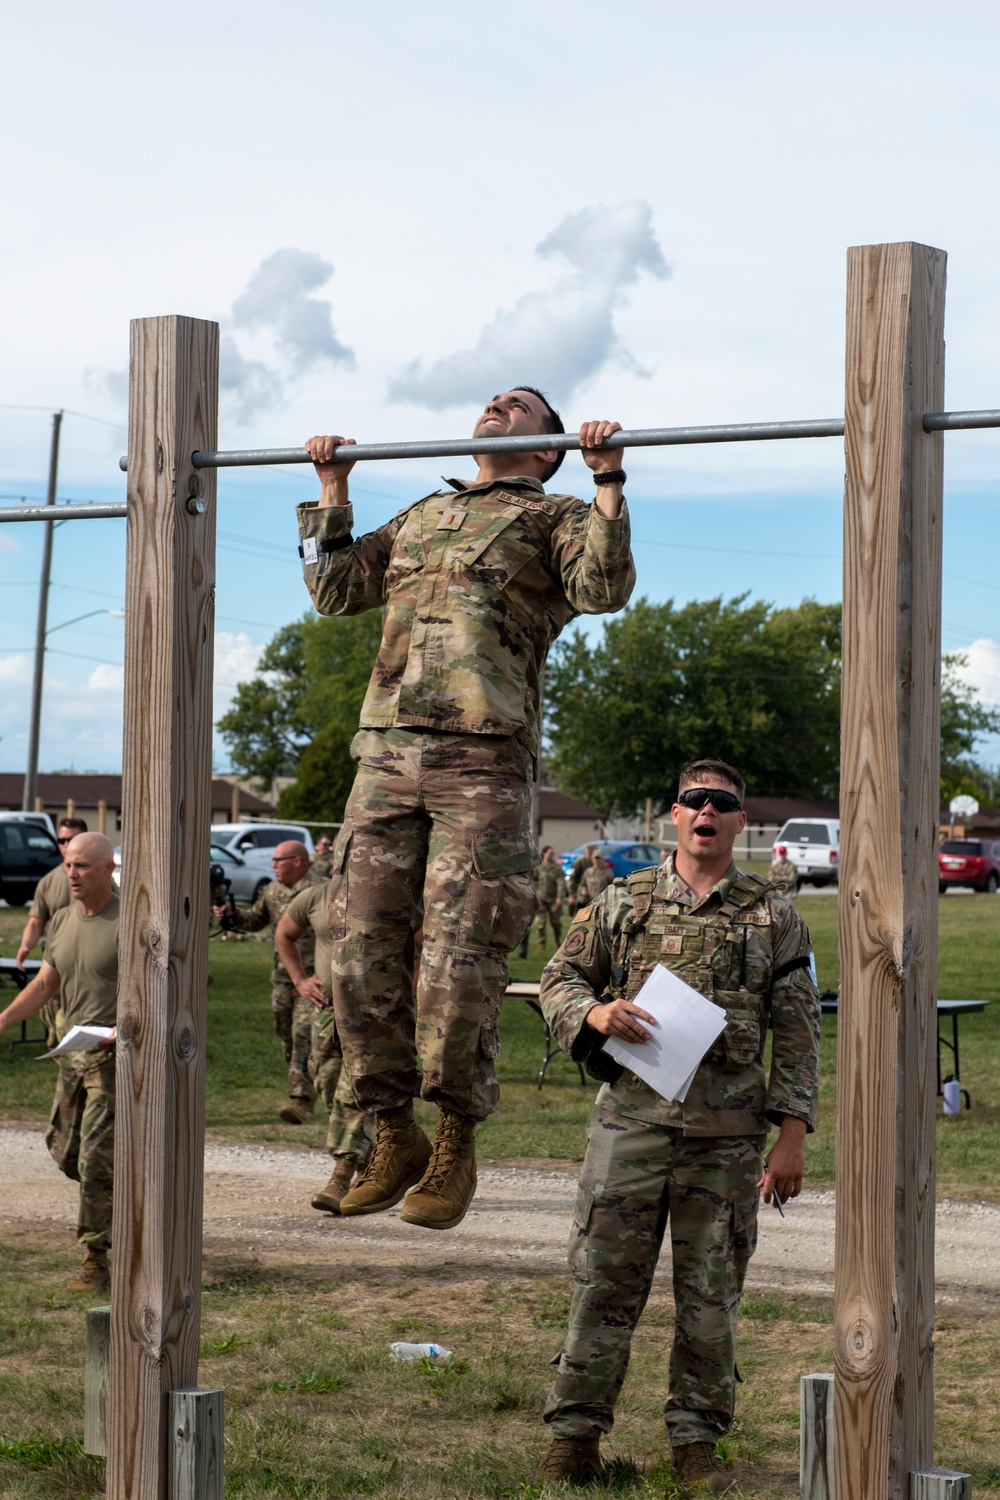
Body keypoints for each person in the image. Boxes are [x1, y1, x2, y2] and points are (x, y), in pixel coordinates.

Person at [298, 388, 635, 1231]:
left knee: (459, 958)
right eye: (493, 399)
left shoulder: (553, 514)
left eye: (518, 406)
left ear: (546, 445)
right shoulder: (423, 514)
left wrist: (607, 482)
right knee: (354, 948)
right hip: (385, 752)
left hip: (481, 757)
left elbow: (602, 587)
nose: (495, 406)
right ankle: (389, 1130)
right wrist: (333, 491)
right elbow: (334, 590)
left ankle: (453, 1137)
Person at [534, 759, 821, 1487]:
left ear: (738, 822)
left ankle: (695, 1446)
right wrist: (595, 1012)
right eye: (695, 800)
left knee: (710, 1298)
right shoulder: (623, 901)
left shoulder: (774, 916)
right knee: (603, 1286)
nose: (707, 812)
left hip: (726, 1144)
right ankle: (573, 1440)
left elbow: (797, 1035)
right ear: (674, 814)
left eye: (721, 803)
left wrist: (791, 1138)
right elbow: (557, 978)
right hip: (629, 1129)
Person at [0, 833, 119, 1292]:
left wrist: (126, 1030)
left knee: (94, 1159)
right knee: (64, 1150)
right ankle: (120, 1199)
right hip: (71, 1054)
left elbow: (155, 991)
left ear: (109, 870)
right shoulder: (64, 921)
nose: (72, 874)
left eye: (83, 866)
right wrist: (6, 1018)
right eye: (69, 865)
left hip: (112, 1057)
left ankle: (96, 1259)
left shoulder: (130, 919)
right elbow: (47, 983)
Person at [275, 885, 375, 1213]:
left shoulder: (390, 890)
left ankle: (341, 1176)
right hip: (327, 1011)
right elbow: (284, 934)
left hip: (372, 1012)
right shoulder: (316, 896)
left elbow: (422, 942)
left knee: (354, 1090)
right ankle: (378, 1162)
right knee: (327, 1082)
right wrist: (300, 979)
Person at [213, 840, 323, 1123]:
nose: (273, 865)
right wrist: (230, 916)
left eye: (279, 860)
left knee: (302, 1034)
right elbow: (255, 920)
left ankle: (301, 1101)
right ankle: (311, 1082)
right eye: (273, 860)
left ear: (298, 861)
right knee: (286, 1035)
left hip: (313, 979)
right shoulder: (272, 892)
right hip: (282, 978)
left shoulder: (320, 890)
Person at [16, 816, 90, 1045]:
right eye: (62, 840)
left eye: (73, 839)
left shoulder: (100, 878)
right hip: (57, 962)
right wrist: (25, 946)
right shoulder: (48, 882)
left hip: (90, 960)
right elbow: (36, 922)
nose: (66, 845)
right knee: (57, 1017)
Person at [533, 846, 567, 952]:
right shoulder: (538, 867)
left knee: (556, 923)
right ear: (544, 853)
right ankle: (542, 943)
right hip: (541, 899)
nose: (551, 855)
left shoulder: (556, 868)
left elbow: (561, 883)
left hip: (553, 900)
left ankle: (557, 940)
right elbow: (533, 880)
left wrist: (559, 897)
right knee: (541, 923)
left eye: (553, 853)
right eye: (549, 853)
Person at [567, 844, 598, 912]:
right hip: (580, 892)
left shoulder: (595, 862)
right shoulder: (579, 862)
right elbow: (572, 879)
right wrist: (571, 894)